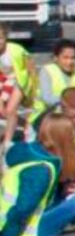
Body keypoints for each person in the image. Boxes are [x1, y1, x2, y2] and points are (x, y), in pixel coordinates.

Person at [0, 23, 36, 154]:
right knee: (3, 113)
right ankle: (26, 125)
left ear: (6, 38)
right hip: (4, 81)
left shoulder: (15, 50)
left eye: (1, 38)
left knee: (10, 109)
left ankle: (7, 142)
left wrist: (33, 87)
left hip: (20, 81)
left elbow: (30, 65)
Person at [31, 39, 75, 123]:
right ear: (56, 58)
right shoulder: (47, 70)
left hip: (69, 118)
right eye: (65, 57)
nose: (69, 62)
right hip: (44, 118)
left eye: (73, 58)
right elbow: (47, 98)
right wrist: (70, 100)